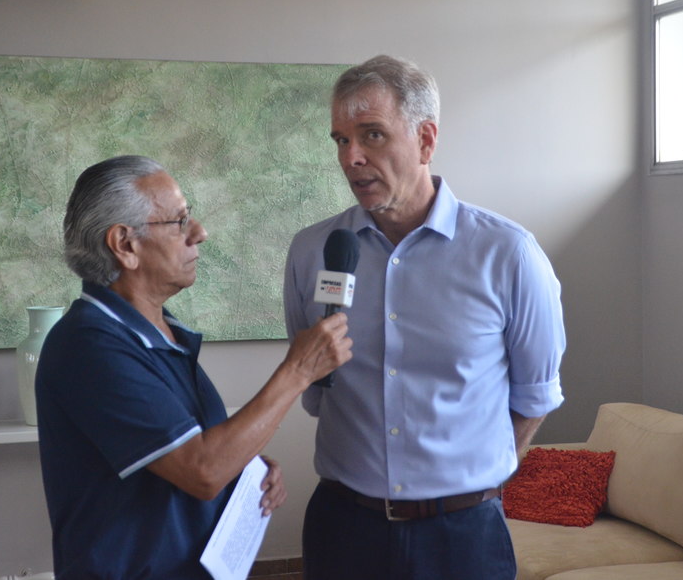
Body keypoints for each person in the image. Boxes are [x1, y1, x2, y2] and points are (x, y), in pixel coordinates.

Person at [283, 55, 566, 580]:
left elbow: (534, 397)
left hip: (463, 536)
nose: (352, 157)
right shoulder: (312, 251)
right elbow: (318, 392)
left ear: (426, 140)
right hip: (343, 527)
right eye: (341, 140)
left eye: (371, 135)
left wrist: (468, 483)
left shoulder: (509, 254)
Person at [36, 155, 353, 580]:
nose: (200, 233)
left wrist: (244, 465)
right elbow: (202, 471)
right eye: (180, 221)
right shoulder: (88, 345)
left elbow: (190, 457)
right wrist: (297, 371)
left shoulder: (164, 333)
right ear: (125, 245)